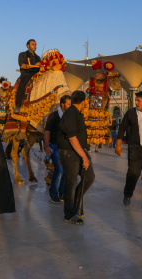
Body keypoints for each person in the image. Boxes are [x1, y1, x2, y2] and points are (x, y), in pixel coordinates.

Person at [58, 90, 95, 225]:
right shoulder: (70, 114)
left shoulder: (76, 113)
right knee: (71, 183)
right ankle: (69, 214)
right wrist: (84, 157)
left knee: (89, 177)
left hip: (78, 152)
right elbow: (72, 138)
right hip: (70, 153)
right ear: (84, 102)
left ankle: (76, 203)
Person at [44, 95, 72, 204]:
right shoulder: (54, 116)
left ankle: (62, 192)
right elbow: (47, 131)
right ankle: (53, 193)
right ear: (63, 104)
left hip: (66, 147)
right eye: (69, 104)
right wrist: (47, 146)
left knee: (65, 170)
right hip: (55, 147)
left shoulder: (70, 117)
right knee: (59, 169)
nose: (70, 106)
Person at [14, 39, 41, 114]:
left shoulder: (38, 57)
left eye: (35, 44)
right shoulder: (22, 54)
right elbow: (22, 65)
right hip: (26, 74)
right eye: (33, 44)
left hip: (36, 74)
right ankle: (18, 105)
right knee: (23, 82)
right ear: (28, 46)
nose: (35, 46)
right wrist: (34, 66)